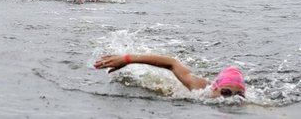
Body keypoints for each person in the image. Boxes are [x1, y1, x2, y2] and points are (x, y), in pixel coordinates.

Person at [94, 53, 246, 98]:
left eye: (239, 95)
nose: (232, 98)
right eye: (226, 93)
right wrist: (127, 59)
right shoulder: (200, 87)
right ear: (215, 88)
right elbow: (172, 63)